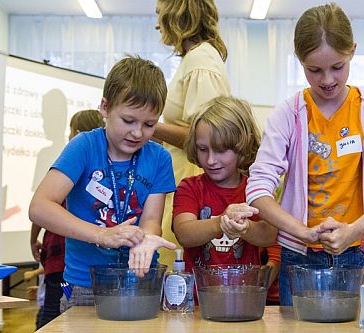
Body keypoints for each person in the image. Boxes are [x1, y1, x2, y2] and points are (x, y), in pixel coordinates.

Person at [245, 3, 364, 306]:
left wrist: (354, 230)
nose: (327, 79)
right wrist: (302, 232)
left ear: (352, 51)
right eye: (314, 70)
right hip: (298, 255)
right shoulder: (288, 114)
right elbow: (258, 189)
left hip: (354, 250)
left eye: (337, 67)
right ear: (299, 60)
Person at [28, 56, 177, 311]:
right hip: (86, 287)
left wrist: (147, 239)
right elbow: (39, 207)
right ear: (105, 108)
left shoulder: (159, 158)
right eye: (128, 121)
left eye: (149, 124)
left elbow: (152, 219)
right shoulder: (84, 146)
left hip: (140, 284)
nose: (138, 132)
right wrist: (102, 235)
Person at [152, 0, 230, 268]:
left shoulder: (201, 60)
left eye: (159, 15)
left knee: (178, 263)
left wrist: (149, 125)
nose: (157, 24)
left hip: (193, 177)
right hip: (181, 173)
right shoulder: (193, 59)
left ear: (176, 16)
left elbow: (208, 136)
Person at [172, 96, 277, 273]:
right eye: (203, 149)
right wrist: (221, 223)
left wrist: (245, 227)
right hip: (199, 297)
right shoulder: (189, 187)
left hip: (244, 295)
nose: (211, 160)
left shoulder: (256, 190)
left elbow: (268, 235)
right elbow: (184, 233)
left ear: (243, 147)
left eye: (221, 150)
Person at [29, 109, 104, 329]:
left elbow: (39, 215)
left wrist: (33, 239)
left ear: (78, 134)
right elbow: (40, 208)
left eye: (70, 133)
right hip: (72, 261)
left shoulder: (68, 165)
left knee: (51, 310)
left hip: (60, 260)